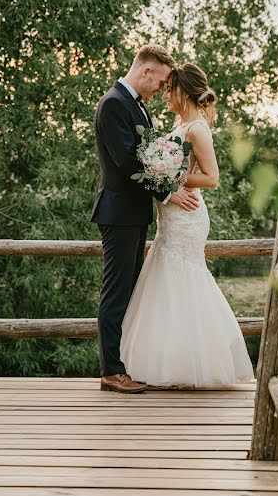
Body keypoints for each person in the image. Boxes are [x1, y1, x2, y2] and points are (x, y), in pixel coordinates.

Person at [120, 63, 254, 387]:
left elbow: (212, 178)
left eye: (170, 89)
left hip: (188, 216)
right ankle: (169, 363)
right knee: (164, 282)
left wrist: (170, 178)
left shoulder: (197, 128)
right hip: (170, 216)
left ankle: (193, 365)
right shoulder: (178, 123)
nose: (165, 94)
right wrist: (160, 178)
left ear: (182, 91)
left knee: (182, 279)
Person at [91, 44, 201, 394]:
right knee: (117, 292)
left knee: (130, 291)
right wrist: (169, 191)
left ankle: (125, 364)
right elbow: (127, 161)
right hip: (120, 213)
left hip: (134, 214)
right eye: (162, 81)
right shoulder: (113, 105)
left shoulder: (134, 105)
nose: (162, 89)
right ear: (146, 72)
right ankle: (111, 371)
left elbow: (148, 154)